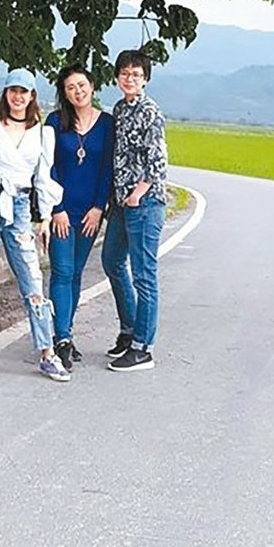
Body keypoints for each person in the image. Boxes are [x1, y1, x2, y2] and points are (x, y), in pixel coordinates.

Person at [0, 69, 71, 382]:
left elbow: (43, 178)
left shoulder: (42, 134)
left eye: (24, 92)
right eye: (13, 91)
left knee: (33, 283)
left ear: (32, 96)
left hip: (19, 209)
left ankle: (47, 353)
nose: (18, 97)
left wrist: (44, 217)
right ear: (6, 94)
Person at [101, 48, 168, 371]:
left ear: (146, 80)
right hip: (121, 202)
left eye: (137, 75)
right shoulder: (120, 108)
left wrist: (137, 194)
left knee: (144, 275)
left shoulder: (150, 111)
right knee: (112, 260)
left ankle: (143, 348)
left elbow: (158, 161)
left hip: (144, 203)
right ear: (117, 77)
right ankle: (129, 331)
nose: (130, 79)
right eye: (125, 73)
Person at [44, 64, 114, 373]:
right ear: (64, 93)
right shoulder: (55, 121)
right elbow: (48, 166)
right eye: (71, 87)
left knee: (75, 273)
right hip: (61, 211)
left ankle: (66, 333)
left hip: (89, 213)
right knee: (62, 270)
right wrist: (56, 208)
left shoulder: (107, 123)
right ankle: (61, 338)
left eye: (82, 85)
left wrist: (99, 207)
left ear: (92, 86)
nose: (78, 91)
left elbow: (107, 169)